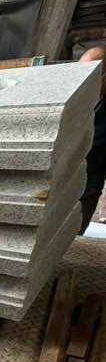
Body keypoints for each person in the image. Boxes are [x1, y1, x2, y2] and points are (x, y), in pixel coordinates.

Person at [79, 46, 106, 233]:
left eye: (91, 72)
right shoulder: (75, 97)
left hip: (90, 179)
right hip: (62, 174)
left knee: (74, 233)